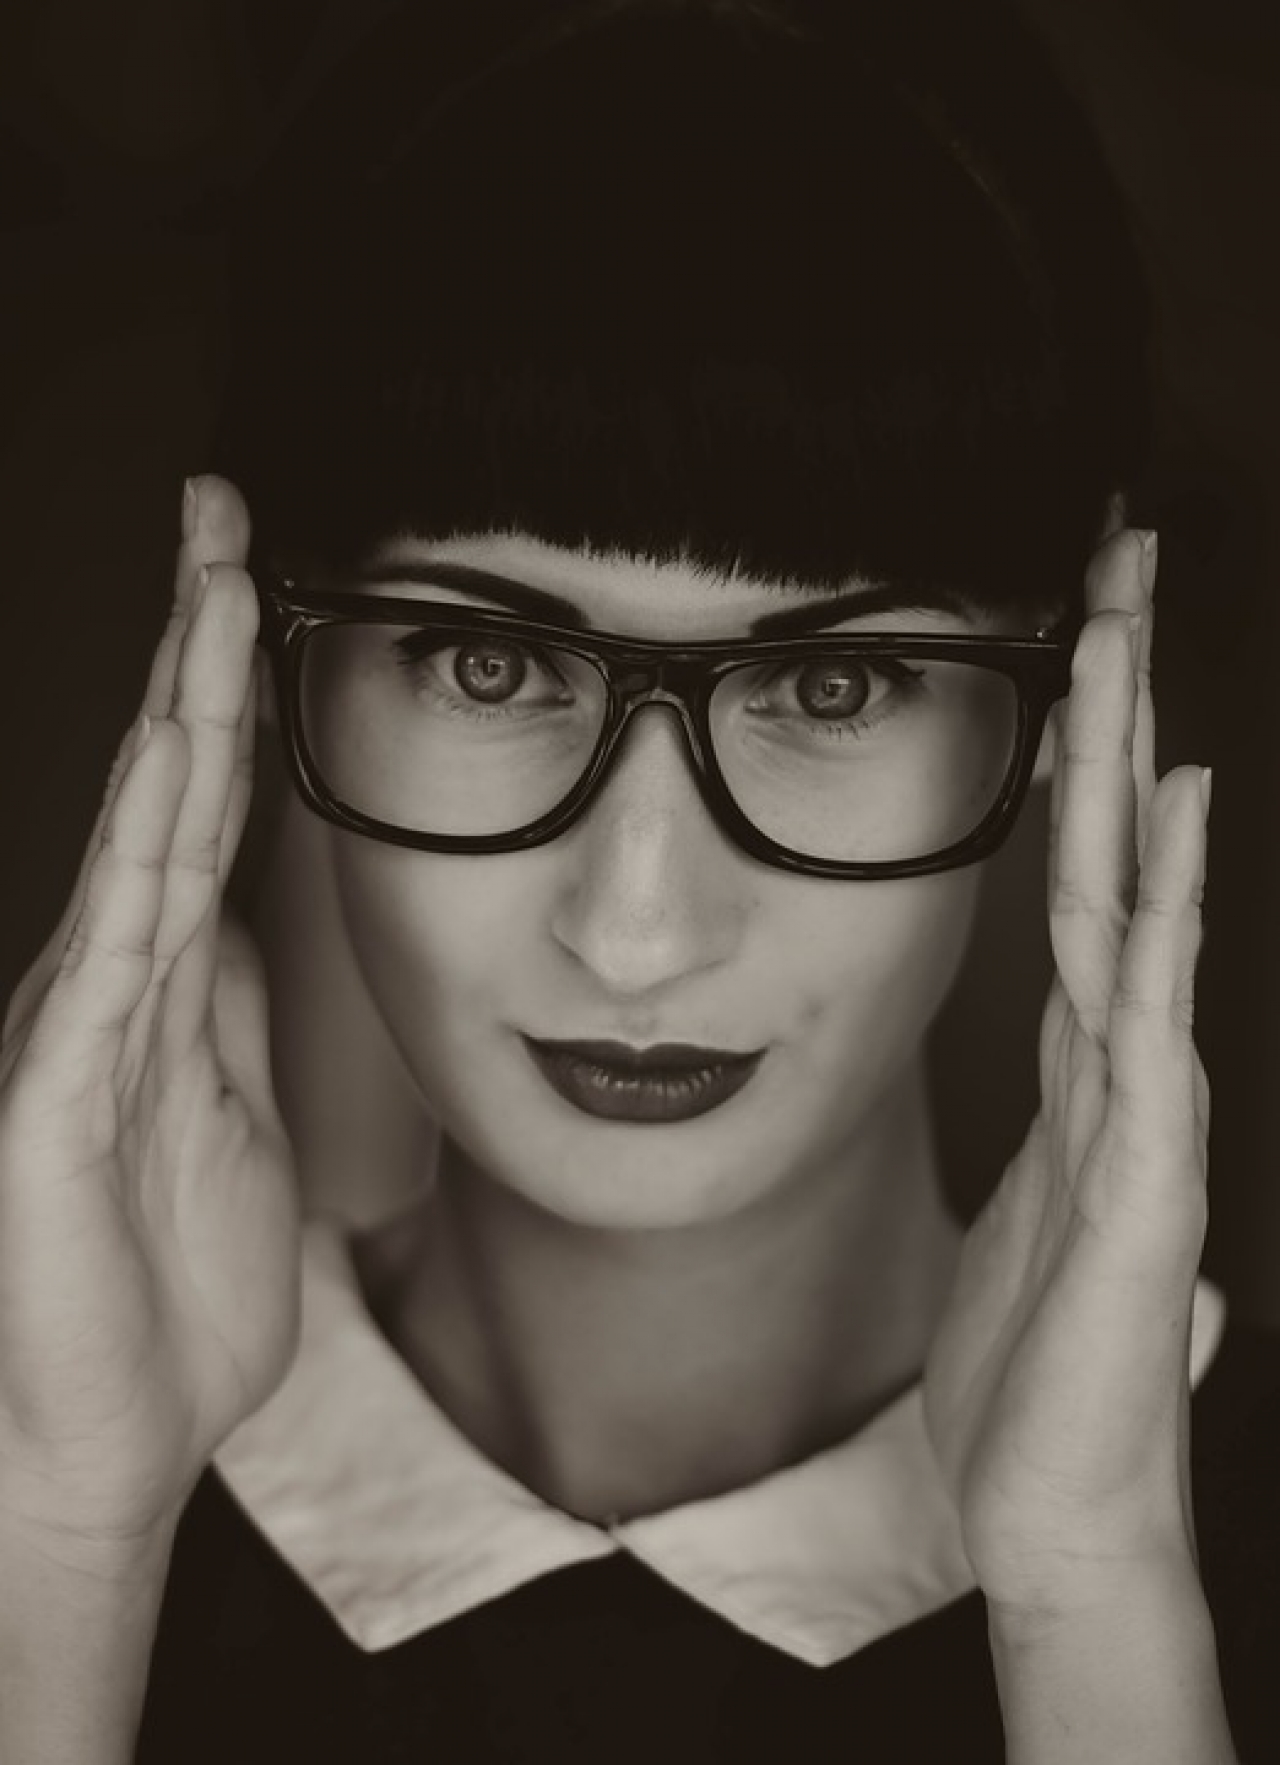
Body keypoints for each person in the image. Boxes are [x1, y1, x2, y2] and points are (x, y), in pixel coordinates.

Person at [1, 2, 1276, 1759]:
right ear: (260, 643)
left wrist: (1091, 1592)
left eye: (832, 684)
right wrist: (57, 1532)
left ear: (1076, 680)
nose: (637, 927)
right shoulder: (63, 1474)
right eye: (490, 664)